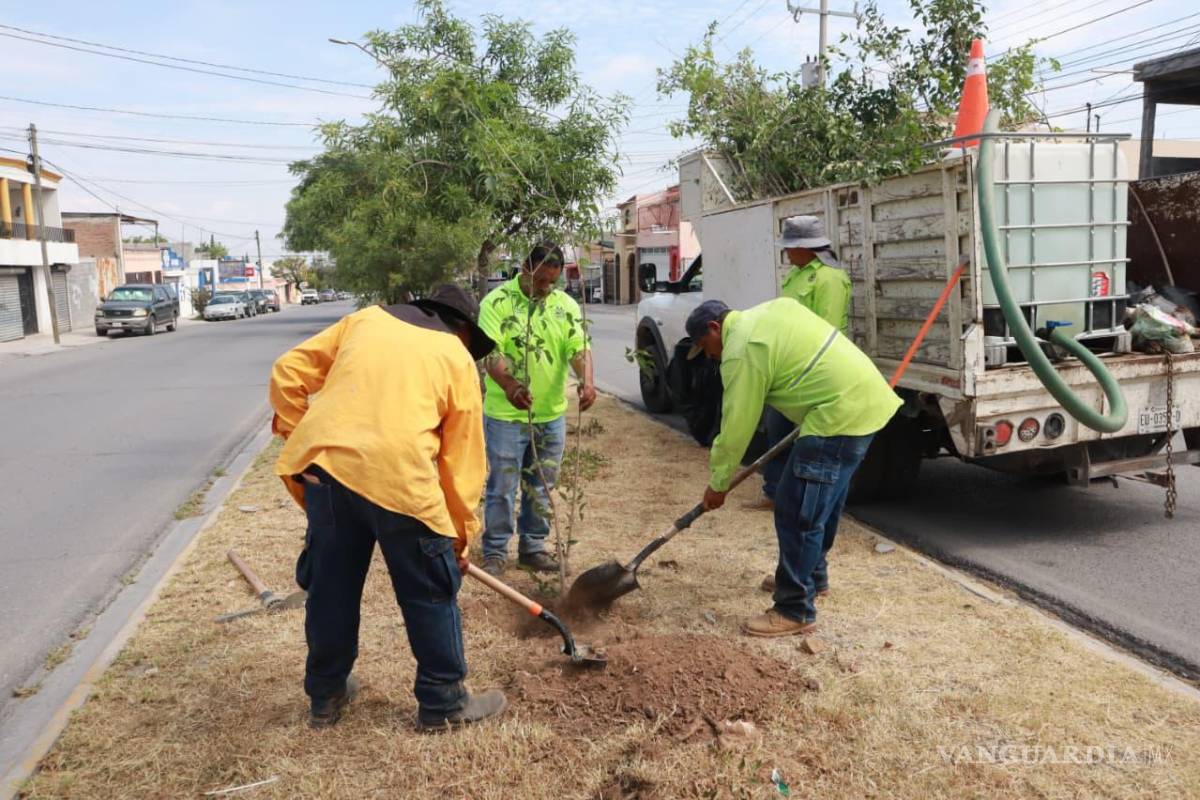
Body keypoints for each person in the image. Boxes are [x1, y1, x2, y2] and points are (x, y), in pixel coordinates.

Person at [270, 284, 507, 730]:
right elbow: (464, 461)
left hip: (329, 473)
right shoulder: (455, 357)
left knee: (330, 592)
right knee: (430, 594)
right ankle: (443, 704)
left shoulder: (365, 321)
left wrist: (302, 438)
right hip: (402, 482)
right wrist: (459, 537)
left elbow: (288, 371)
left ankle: (326, 694)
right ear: (461, 329)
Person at [687, 297, 900, 637]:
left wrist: (719, 481)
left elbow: (737, 425)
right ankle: (811, 577)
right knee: (821, 506)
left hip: (838, 415)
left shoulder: (741, 349)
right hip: (863, 402)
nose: (711, 356)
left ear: (715, 328)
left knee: (796, 510)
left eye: (706, 347)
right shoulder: (767, 312)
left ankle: (795, 607)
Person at [477, 242, 596, 577]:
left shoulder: (565, 305)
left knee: (543, 484)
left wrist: (587, 380)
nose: (546, 288)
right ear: (525, 269)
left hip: (550, 416)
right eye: (541, 281)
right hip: (505, 417)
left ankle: (532, 548)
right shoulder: (497, 303)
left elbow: (578, 346)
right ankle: (496, 551)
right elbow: (489, 352)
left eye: (552, 282)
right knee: (502, 485)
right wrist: (511, 385)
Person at [753, 215, 853, 512]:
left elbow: (827, 330)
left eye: (789, 247)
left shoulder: (830, 278)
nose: (786, 252)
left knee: (807, 440)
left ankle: (803, 500)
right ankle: (773, 493)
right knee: (777, 430)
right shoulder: (798, 273)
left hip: (812, 369)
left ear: (806, 247)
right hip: (788, 364)